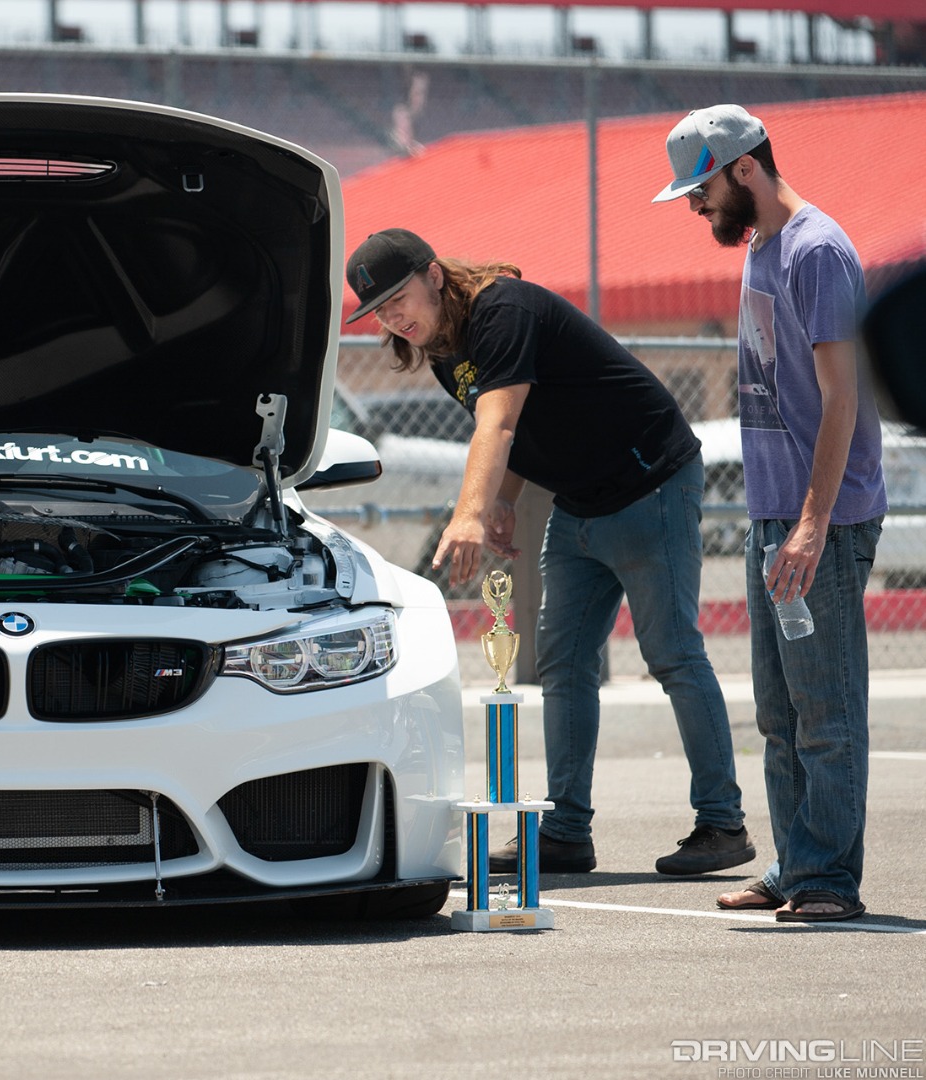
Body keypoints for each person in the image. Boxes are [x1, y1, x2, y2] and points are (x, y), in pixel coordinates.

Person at [343, 228, 752, 876]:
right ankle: (565, 832)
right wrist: (503, 499)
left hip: (653, 484)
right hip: (580, 504)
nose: (394, 317)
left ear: (435, 275)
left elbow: (498, 424)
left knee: (671, 652)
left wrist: (471, 514)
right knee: (561, 664)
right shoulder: (448, 349)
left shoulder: (503, 311)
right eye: (379, 311)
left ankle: (722, 824)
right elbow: (516, 429)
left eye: (399, 298)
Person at [655, 105, 885, 923]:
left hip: (818, 520)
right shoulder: (760, 246)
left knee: (825, 710)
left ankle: (829, 880)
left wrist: (813, 524)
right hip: (773, 515)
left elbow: (841, 398)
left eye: (701, 188)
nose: (695, 206)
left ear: (743, 168)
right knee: (780, 714)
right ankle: (795, 866)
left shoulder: (817, 251)